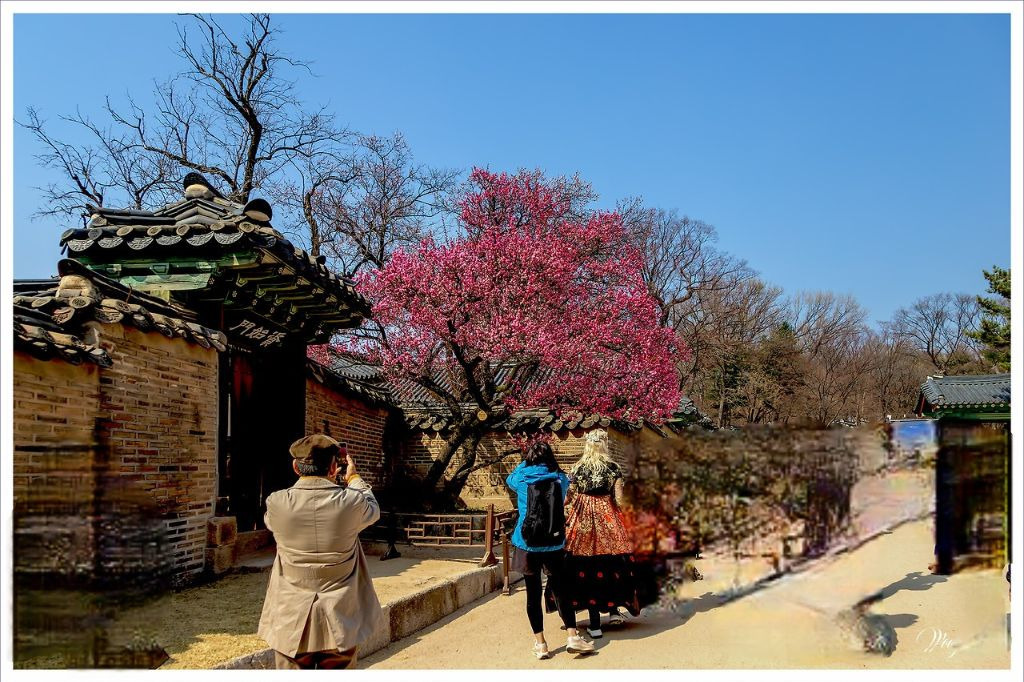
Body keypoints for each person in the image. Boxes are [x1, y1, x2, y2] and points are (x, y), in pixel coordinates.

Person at [258, 434, 383, 669]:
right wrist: (354, 477)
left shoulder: (276, 502)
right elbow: (373, 509)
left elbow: (270, 522)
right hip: (340, 617)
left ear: (296, 467)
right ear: (334, 468)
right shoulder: (351, 502)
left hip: (290, 617)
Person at [506, 441, 596, 660]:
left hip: (527, 544)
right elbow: (565, 489)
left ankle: (541, 645)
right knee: (562, 590)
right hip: (554, 544)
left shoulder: (521, 477)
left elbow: (509, 479)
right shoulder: (559, 478)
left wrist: (524, 462)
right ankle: (573, 636)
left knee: (533, 594)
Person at [561, 429, 644, 638]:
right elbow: (619, 499)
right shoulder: (613, 468)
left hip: (583, 520)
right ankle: (614, 610)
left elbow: (568, 497)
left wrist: (559, 509)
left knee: (584, 566)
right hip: (608, 519)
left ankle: (595, 623)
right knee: (613, 563)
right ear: (604, 445)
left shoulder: (577, 468)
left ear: (587, 445)